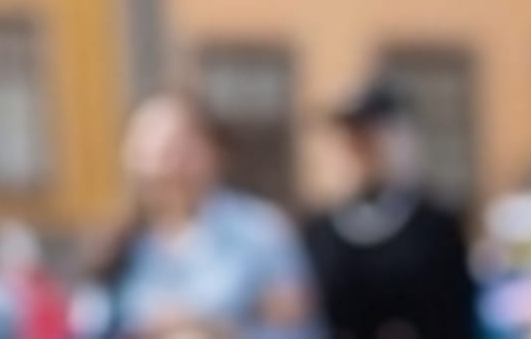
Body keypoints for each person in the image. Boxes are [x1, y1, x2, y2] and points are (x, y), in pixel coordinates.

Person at [87, 91, 319, 339]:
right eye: (155, 152)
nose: (170, 166)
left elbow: (297, 329)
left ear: (214, 152)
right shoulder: (118, 249)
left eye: (181, 149)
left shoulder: (261, 234)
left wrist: (214, 329)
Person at [301, 82, 479, 339]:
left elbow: (458, 315)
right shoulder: (318, 231)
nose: (357, 151)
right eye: (350, 140)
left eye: (368, 139)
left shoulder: (434, 227)